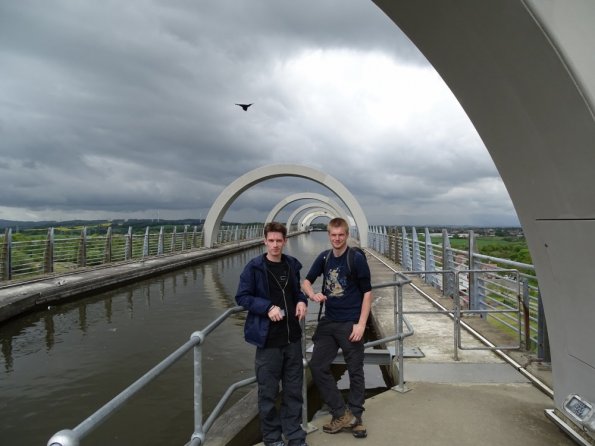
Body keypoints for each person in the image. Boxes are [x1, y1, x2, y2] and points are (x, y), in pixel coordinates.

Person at [235, 221, 309, 446]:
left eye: (279, 241)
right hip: (268, 342)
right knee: (267, 394)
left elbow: (298, 292)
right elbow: (242, 297)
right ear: (264, 241)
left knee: (294, 391)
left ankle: (294, 436)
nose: (275, 245)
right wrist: (267, 307)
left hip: (292, 339)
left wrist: (302, 301)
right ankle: (272, 439)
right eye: (271, 241)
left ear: (285, 242)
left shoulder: (291, 266)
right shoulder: (255, 268)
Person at [302, 217, 372, 439]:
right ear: (328, 235)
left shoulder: (356, 259)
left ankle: (357, 417)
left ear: (347, 235)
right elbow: (306, 281)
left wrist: (361, 324)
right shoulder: (324, 258)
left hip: (350, 323)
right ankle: (341, 412)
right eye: (333, 235)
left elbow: (367, 293)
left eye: (341, 234)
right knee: (318, 365)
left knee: (355, 369)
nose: (337, 239)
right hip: (329, 322)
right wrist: (312, 294)